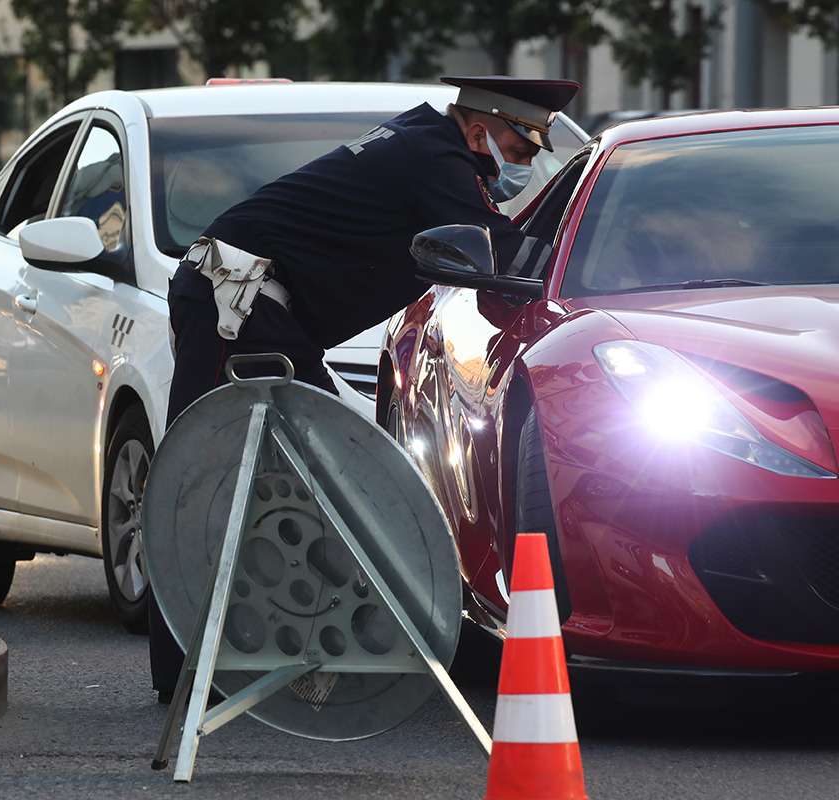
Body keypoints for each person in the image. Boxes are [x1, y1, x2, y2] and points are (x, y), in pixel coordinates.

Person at [148, 75, 581, 703]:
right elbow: (501, 254)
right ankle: (190, 674)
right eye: (519, 150)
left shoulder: (427, 142)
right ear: (482, 129)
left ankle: (252, 659)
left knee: (301, 476)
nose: (525, 164)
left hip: (258, 306)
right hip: (238, 304)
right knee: (214, 481)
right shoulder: (437, 158)